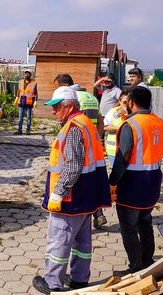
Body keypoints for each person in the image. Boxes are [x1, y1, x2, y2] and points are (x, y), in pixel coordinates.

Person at [33, 86, 111, 294]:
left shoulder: (73, 128)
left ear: (69, 106)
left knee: (59, 241)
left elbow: (73, 166)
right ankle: (79, 280)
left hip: (71, 198)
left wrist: (58, 192)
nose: (53, 111)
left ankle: (52, 283)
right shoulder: (86, 123)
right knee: (82, 242)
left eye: (56, 107)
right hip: (86, 195)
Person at [109, 87, 163, 273]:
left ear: (131, 103)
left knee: (128, 227)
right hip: (153, 180)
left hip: (132, 183)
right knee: (145, 222)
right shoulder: (160, 123)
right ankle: (147, 261)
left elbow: (123, 156)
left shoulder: (130, 125)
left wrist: (112, 181)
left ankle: (136, 267)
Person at [53, 74, 105, 227]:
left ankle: (96, 213)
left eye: (57, 88)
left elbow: (73, 162)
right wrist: (97, 139)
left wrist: (58, 193)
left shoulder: (74, 100)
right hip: (92, 144)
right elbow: (100, 121)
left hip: (77, 154)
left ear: (65, 87)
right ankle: (98, 213)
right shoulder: (91, 97)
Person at [104, 90, 129, 167]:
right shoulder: (113, 112)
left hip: (129, 151)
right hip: (113, 150)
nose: (127, 104)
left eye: (129, 102)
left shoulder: (134, 113)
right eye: (125, 102)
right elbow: (105, 126)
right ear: (120, 101)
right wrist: (120, 128)